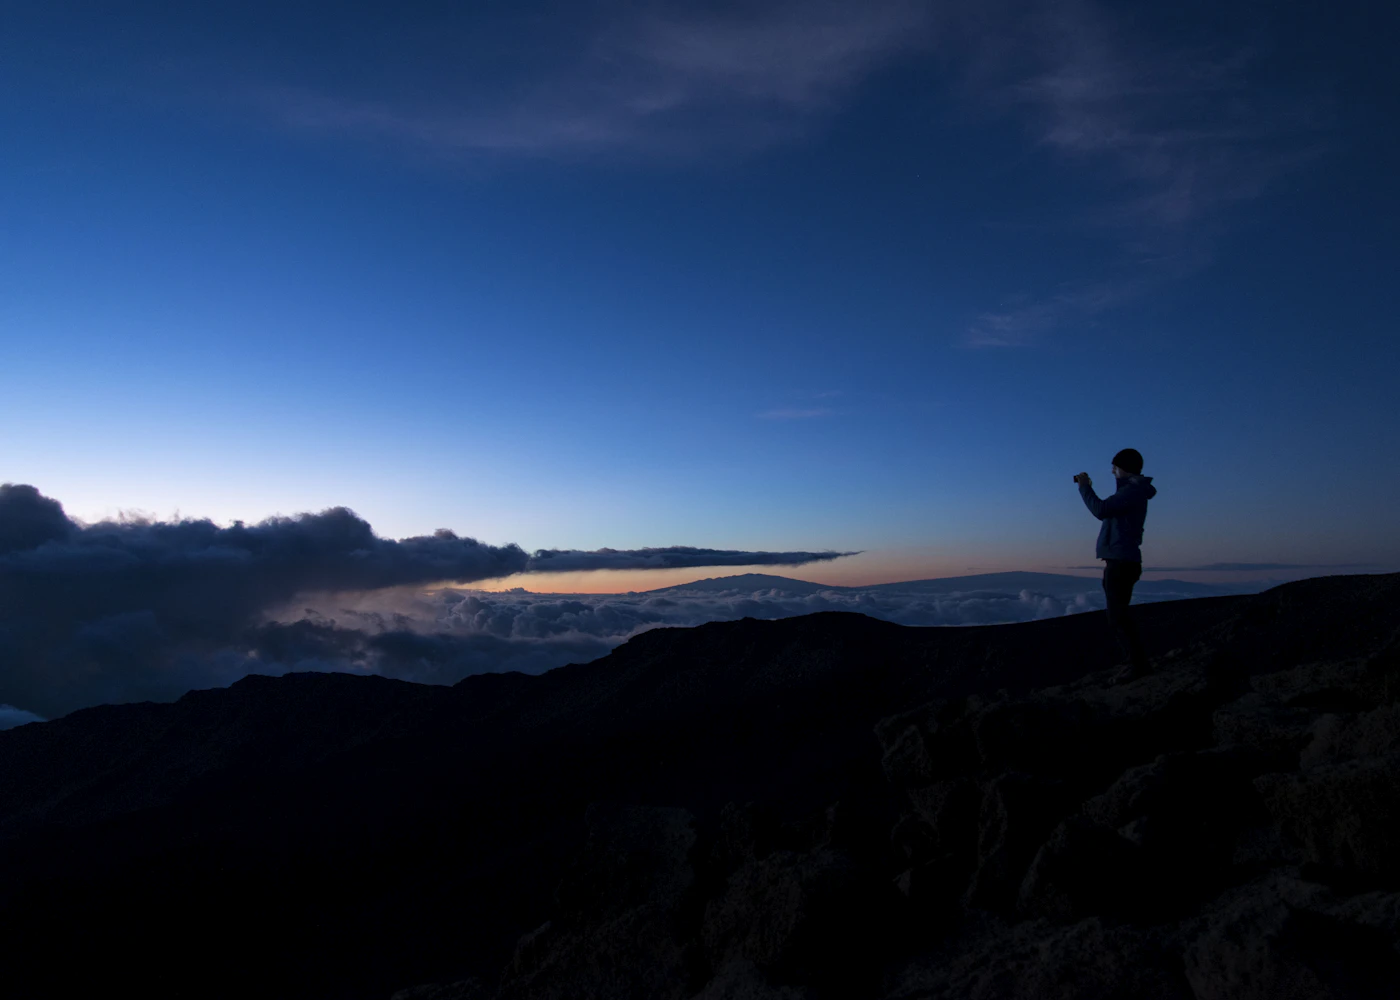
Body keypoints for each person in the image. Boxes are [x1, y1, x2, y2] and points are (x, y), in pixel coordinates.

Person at [1075, 449, 1157, 681]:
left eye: (1115, 467)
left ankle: (1138, 664)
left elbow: (1101, 510)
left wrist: (1084, 487)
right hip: (1121, 560)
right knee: (1118, 615)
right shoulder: (1131, 492)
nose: (1112, 471)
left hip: (1122, 561)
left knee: (1118, 616)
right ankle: (1134, 660)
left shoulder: (1133, 492)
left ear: (1125, 468)